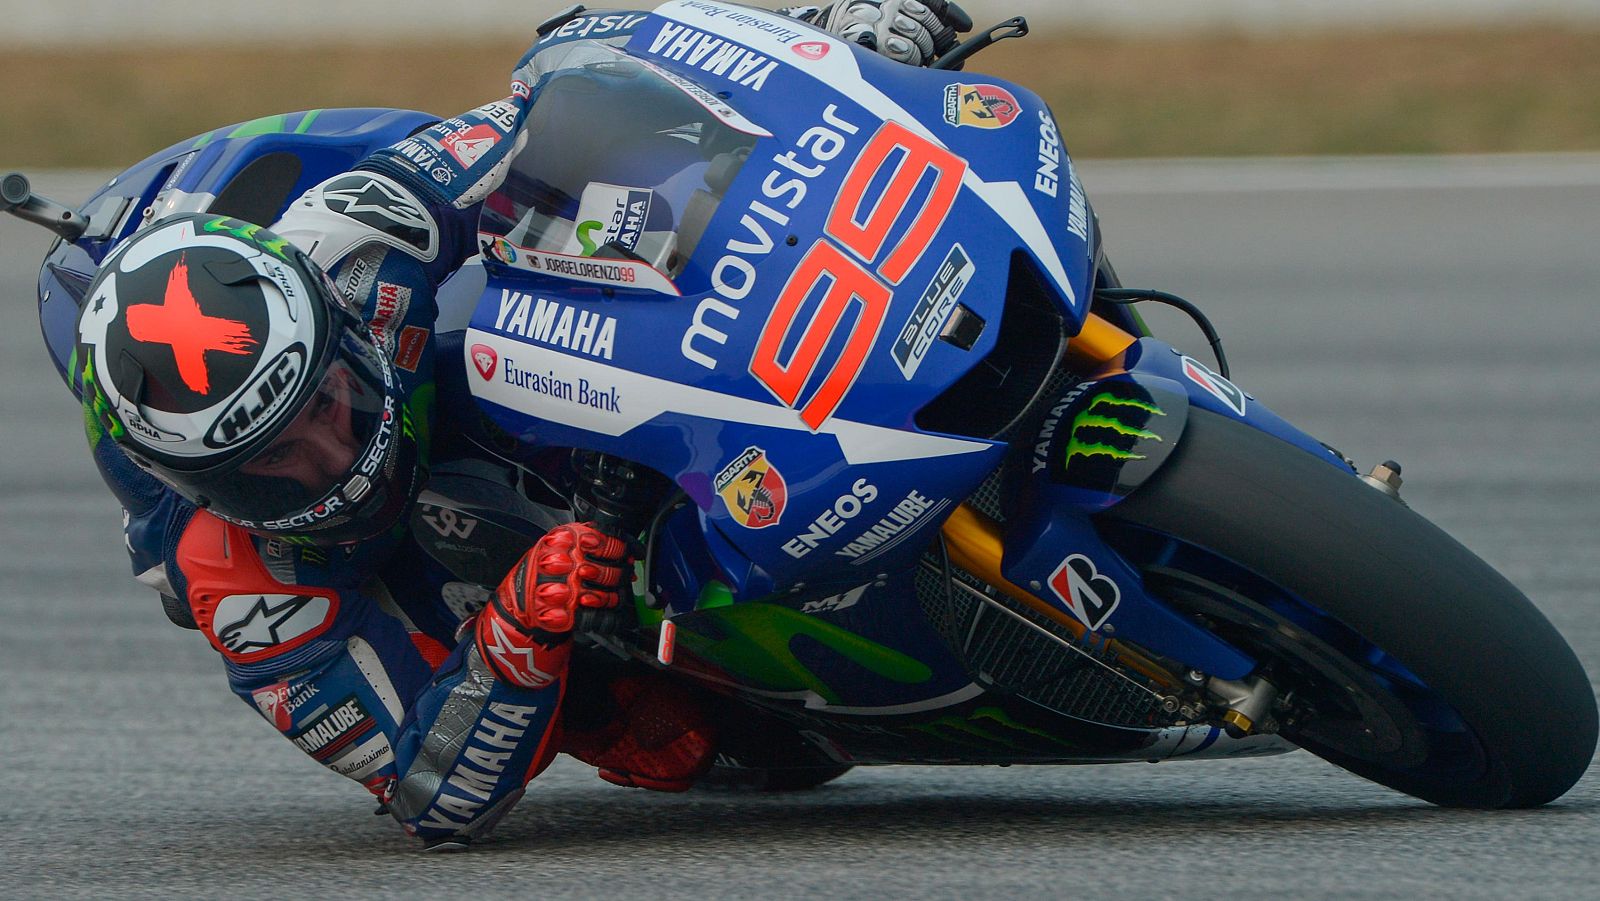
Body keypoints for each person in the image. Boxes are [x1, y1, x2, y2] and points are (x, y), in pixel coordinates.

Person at [71, 1, 973, 849]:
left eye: (327, 405)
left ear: (340, 329)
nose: (337, 460)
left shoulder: (356, 244)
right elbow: (431, 797)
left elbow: (585, 85)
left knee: (618, 204)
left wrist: (829, 44)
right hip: (457, 598)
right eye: (275, 465)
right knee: (671, 738)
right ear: (205, 488)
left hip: (478, 362)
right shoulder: (243, 589)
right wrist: (514, 634)